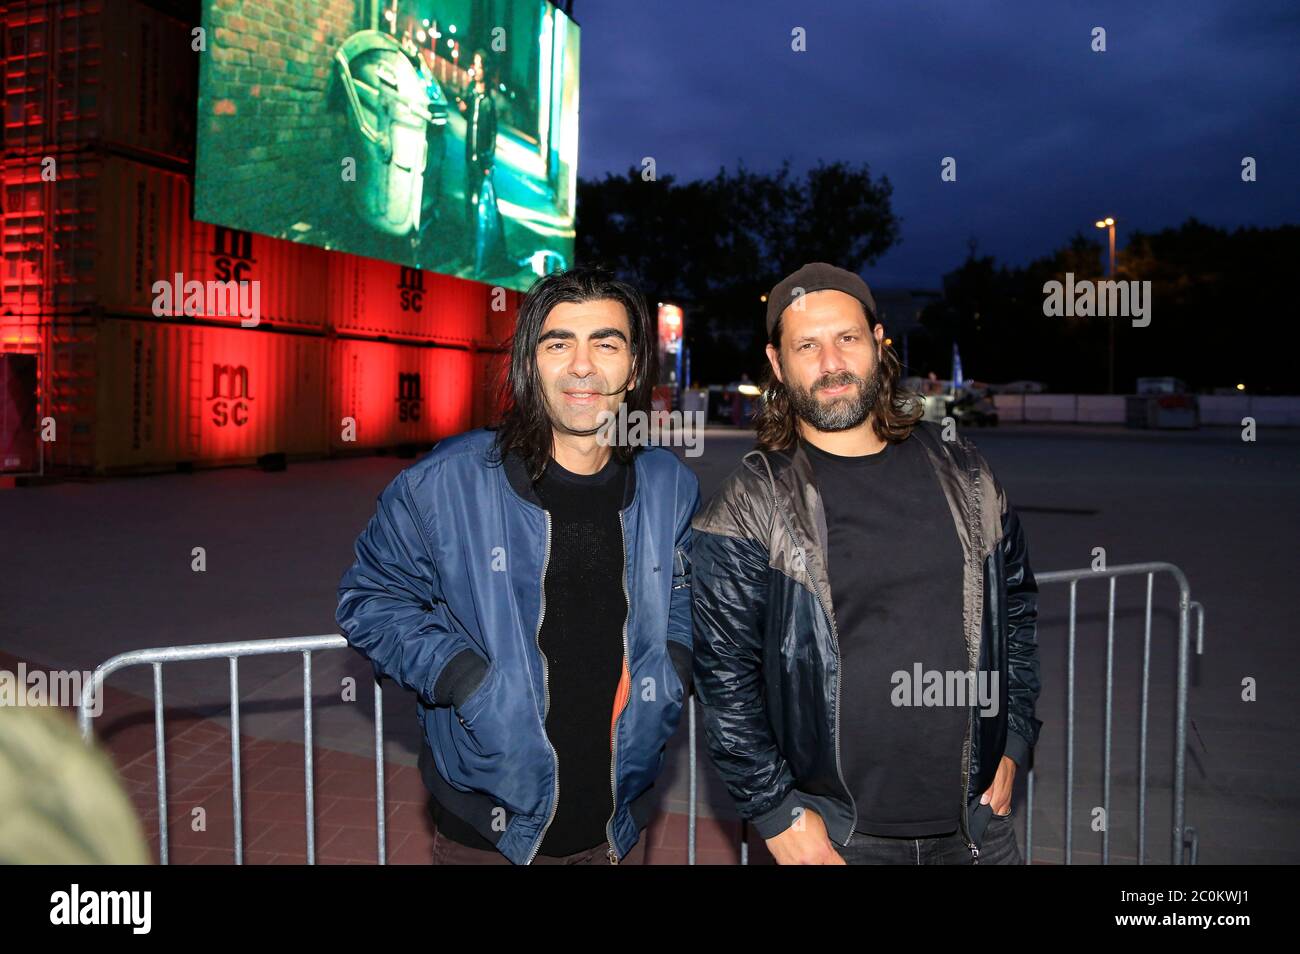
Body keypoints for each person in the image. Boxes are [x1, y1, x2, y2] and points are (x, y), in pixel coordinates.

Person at [336, 265, 699, 864]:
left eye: (605, 343)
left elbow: (685, 597)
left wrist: (673, 667)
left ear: (633, 366)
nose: (582, 366)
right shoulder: (446, 480)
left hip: (617, 824)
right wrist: (465, 680)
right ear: (531, 362)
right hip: (488, 830)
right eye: (558, 343)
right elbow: (370, 600)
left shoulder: (669, 485)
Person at [691, 261, 1042, 865]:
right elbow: (723, 677)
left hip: (977, 829)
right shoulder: (752, 502)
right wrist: (777, 815)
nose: (831, 364)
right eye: (807, 345)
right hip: (838, 840)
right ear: (777, 364)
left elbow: (1017, 614)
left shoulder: (968, 475)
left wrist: (1014, 740)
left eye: (847, 339)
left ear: (880, 345)